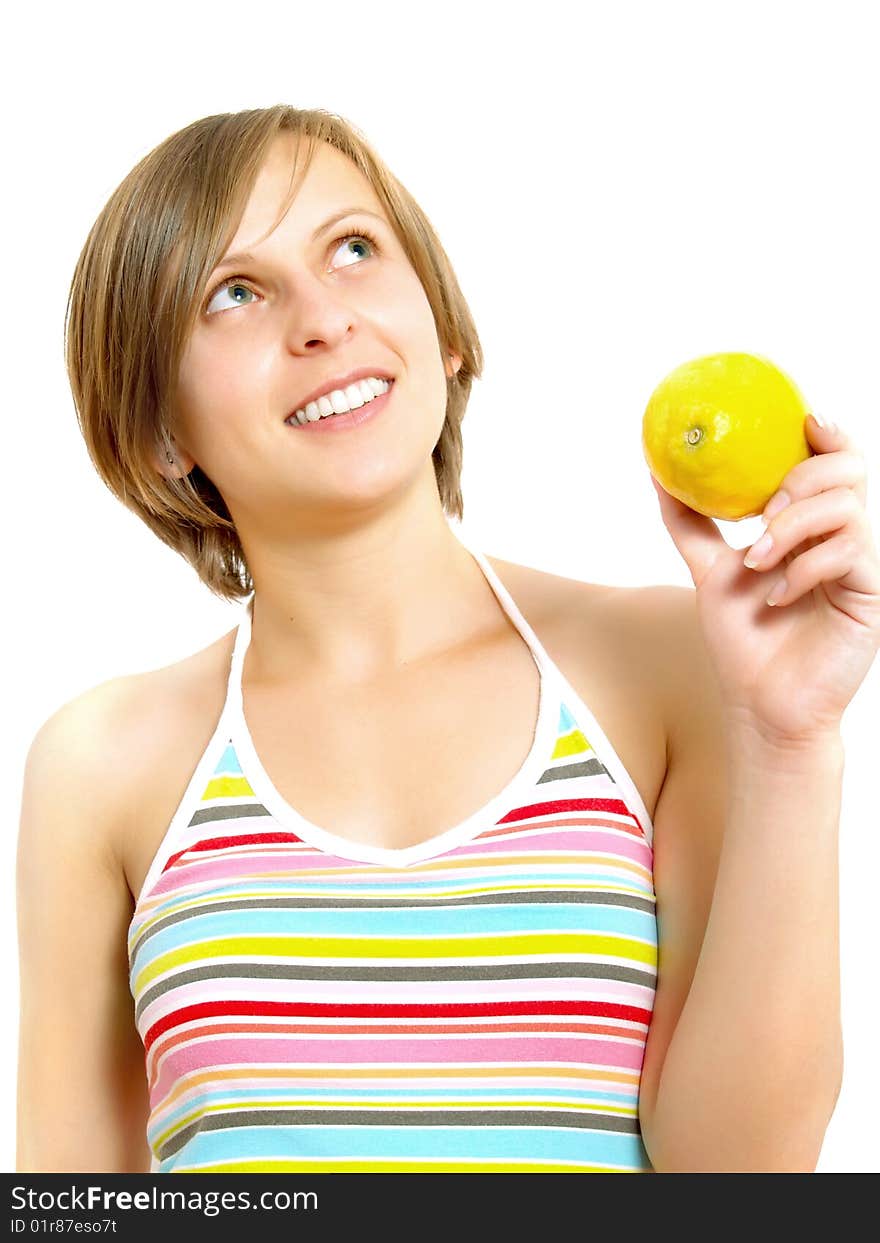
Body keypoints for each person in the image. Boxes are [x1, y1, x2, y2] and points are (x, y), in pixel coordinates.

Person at [15, 104, 880, 1175]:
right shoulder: (100, 765)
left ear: (443, 327)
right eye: (234, 292)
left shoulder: (665, 665)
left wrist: (790, 742)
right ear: (157, 437)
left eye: (353, 249)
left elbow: (735, 1177)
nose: (323, 320)